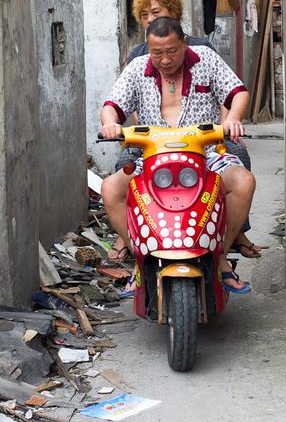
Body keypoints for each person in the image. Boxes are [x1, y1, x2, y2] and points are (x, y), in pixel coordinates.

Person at [100, 17, 255, 293]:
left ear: (184, 43)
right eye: (157, 53)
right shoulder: (137, 68)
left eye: (171, 51)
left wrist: (232, 118)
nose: (165, 59)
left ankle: (220, 257)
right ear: (148, 48)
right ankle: (141, 260)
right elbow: (112, 106)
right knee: (111, 188)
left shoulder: (206, 59)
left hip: (206, 154)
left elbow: (239, 93)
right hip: (153, 158)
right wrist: (110, 123)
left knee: (244, 182)